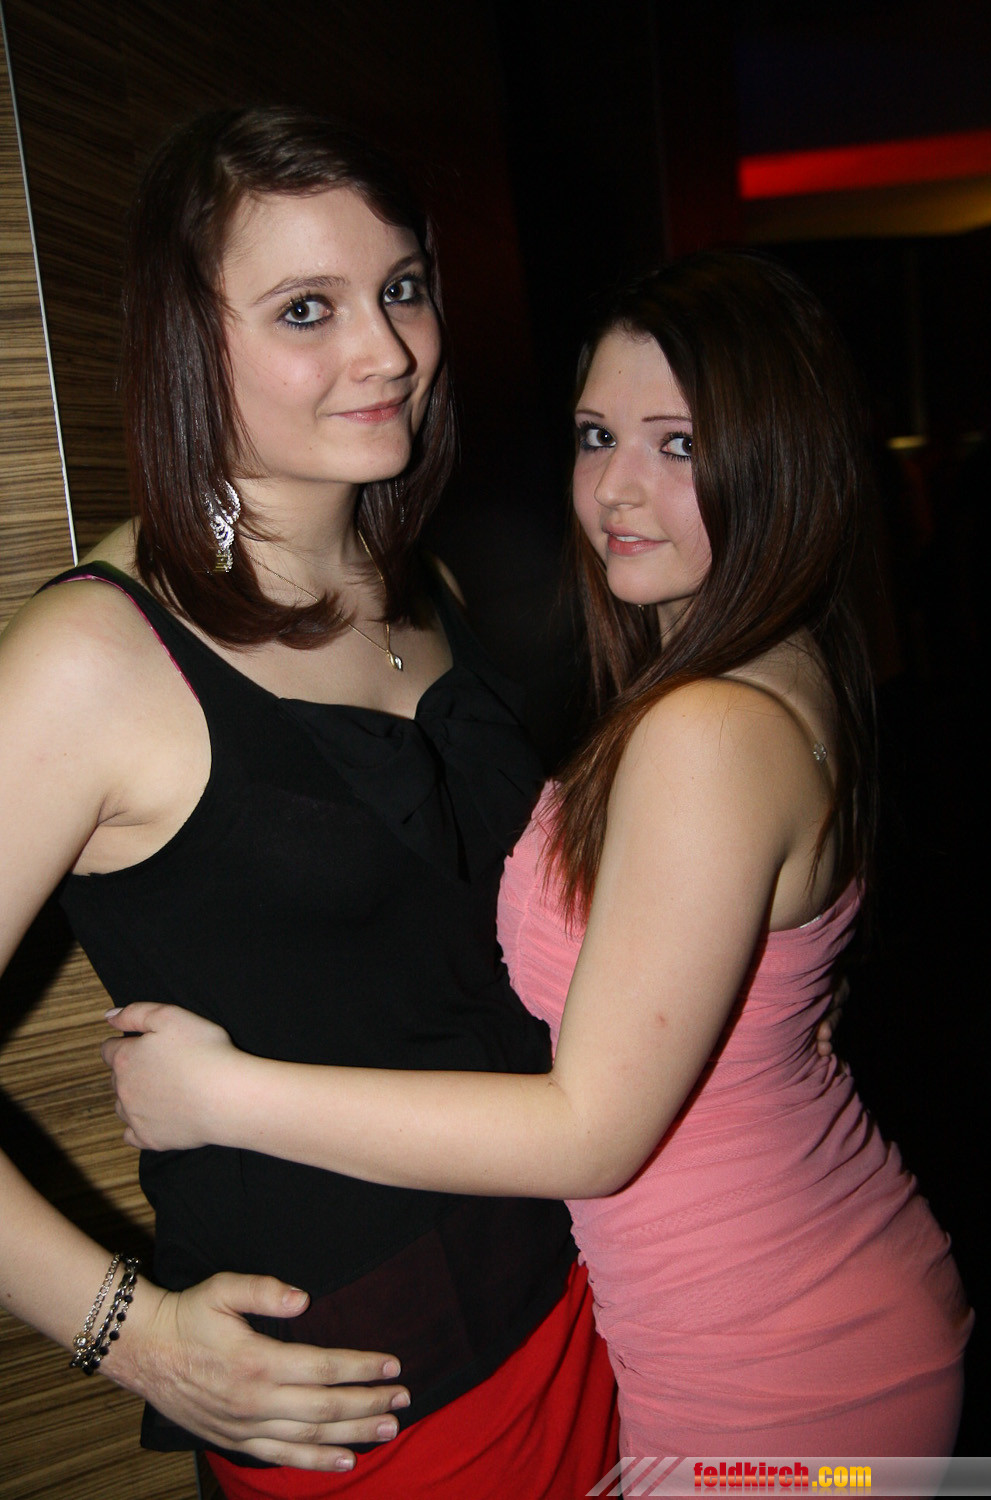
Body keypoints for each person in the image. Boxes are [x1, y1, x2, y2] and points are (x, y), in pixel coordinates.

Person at [106, 252, 972, 1460]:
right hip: (817, 1301)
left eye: (677, 445)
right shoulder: (781, 666)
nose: (616, 488)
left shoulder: (707, 729)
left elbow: (589, 1136)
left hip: (776, 1374)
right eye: (595, 435)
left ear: (780, 459)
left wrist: (221, 1095)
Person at [0, 106, 619, 1497]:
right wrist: (128, 1336)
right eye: (305, 309)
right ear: (186, 343)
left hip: (592, 1300)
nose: (387, 350)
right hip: (366, 1413)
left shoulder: (419, 580)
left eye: (401, 288)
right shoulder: (93, 661)